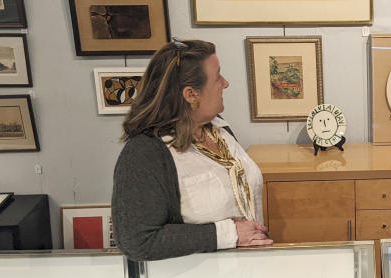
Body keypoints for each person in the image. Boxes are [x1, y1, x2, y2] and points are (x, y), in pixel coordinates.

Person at [112, 39, 272, 261]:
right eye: (217, 77)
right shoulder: (145, 153)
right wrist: (230, 233)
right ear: (191, 95)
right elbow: (138, 240)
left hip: (245, 274)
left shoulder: (219, 129)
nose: (225, 84)